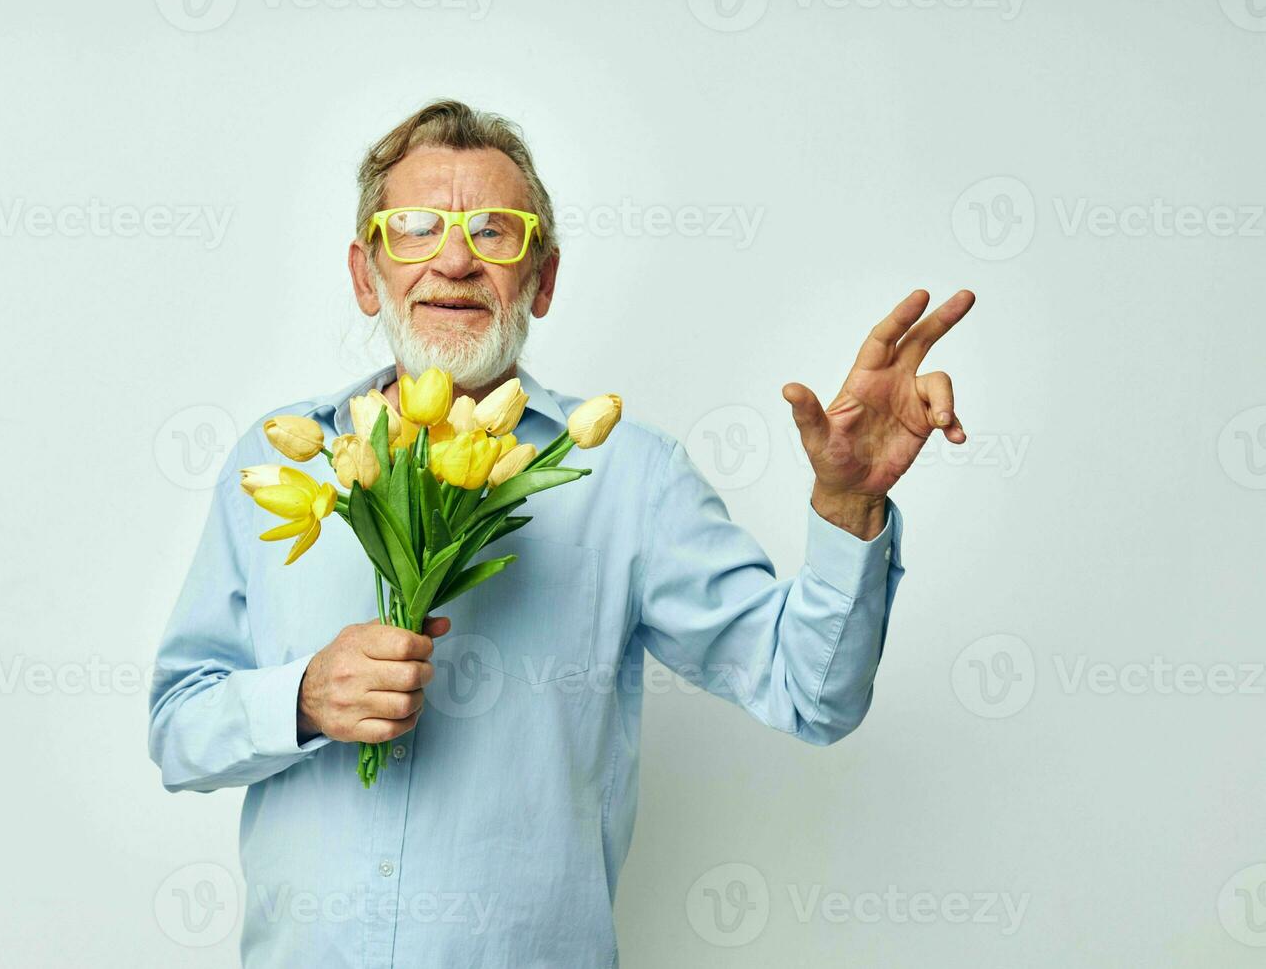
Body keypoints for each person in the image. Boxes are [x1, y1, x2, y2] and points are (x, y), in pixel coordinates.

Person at [148, 98, 975, 967]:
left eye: (496, 233)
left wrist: (847, 503)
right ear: (367, 274)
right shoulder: (281, 461)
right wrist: (305, 698)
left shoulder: (629, 475)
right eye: (416, 228)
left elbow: (813, 693)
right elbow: (179, 730)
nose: (456, 260)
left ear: (542, 277)